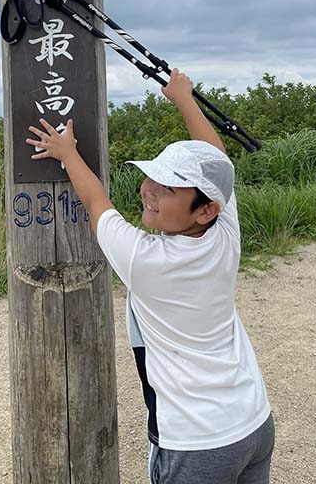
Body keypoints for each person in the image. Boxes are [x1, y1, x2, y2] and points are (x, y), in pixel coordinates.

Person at [26, 68, 274, 484]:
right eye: (153, 177)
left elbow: (96, 202)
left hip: (197, 443)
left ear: (204, 209)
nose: (149, 190)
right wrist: (184, 99)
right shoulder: (224, 231)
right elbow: (217, 161)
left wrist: (66, 152)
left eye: (169, 188)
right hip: (253, 421)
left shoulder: (145, 260)